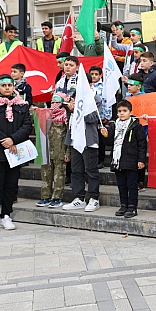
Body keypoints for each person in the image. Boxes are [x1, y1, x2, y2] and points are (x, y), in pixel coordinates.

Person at [0, 74, 32, 233]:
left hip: (14, 152)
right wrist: (4, 140)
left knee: (11, 185)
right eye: (4, 86)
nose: (7, 88)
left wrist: (13, 139)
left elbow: (27, 126)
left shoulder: (22, 105)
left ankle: (6, 215)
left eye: (10, 85)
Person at [100, 100, 147, 218]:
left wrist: (141, 160)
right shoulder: (113, 125)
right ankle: (123, 205)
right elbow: (110, 141)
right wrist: (105, 135)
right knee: (121, 185)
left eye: (124, 111)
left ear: (131, 112)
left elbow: (142, 144)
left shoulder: (136, 126)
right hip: (118, 161)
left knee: (132, 185)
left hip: (131, 160)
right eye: (119, 111)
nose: (122, 113)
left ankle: (132, 207)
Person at [62, 79, 103, 213]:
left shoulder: (95, 98)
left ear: (90, 84)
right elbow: (69, 117)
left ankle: (94, 198)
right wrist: (70, 109)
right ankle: (79, 197)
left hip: (89, 140)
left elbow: (93, 118)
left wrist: (78, 110)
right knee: (76, 171)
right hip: (75, 139)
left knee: (91, 171)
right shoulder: (74, 97)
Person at [35, 93, 71, 208]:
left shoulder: (66, 117)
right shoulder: (46, 115)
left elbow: (69, 136)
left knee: (59, 176)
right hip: (46, 150)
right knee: (45, 174)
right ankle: (45, 197)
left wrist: (67, 152)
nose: (55, 105)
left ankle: (57, 198)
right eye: (53, 102)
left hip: (60, 151)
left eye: (58, 102)